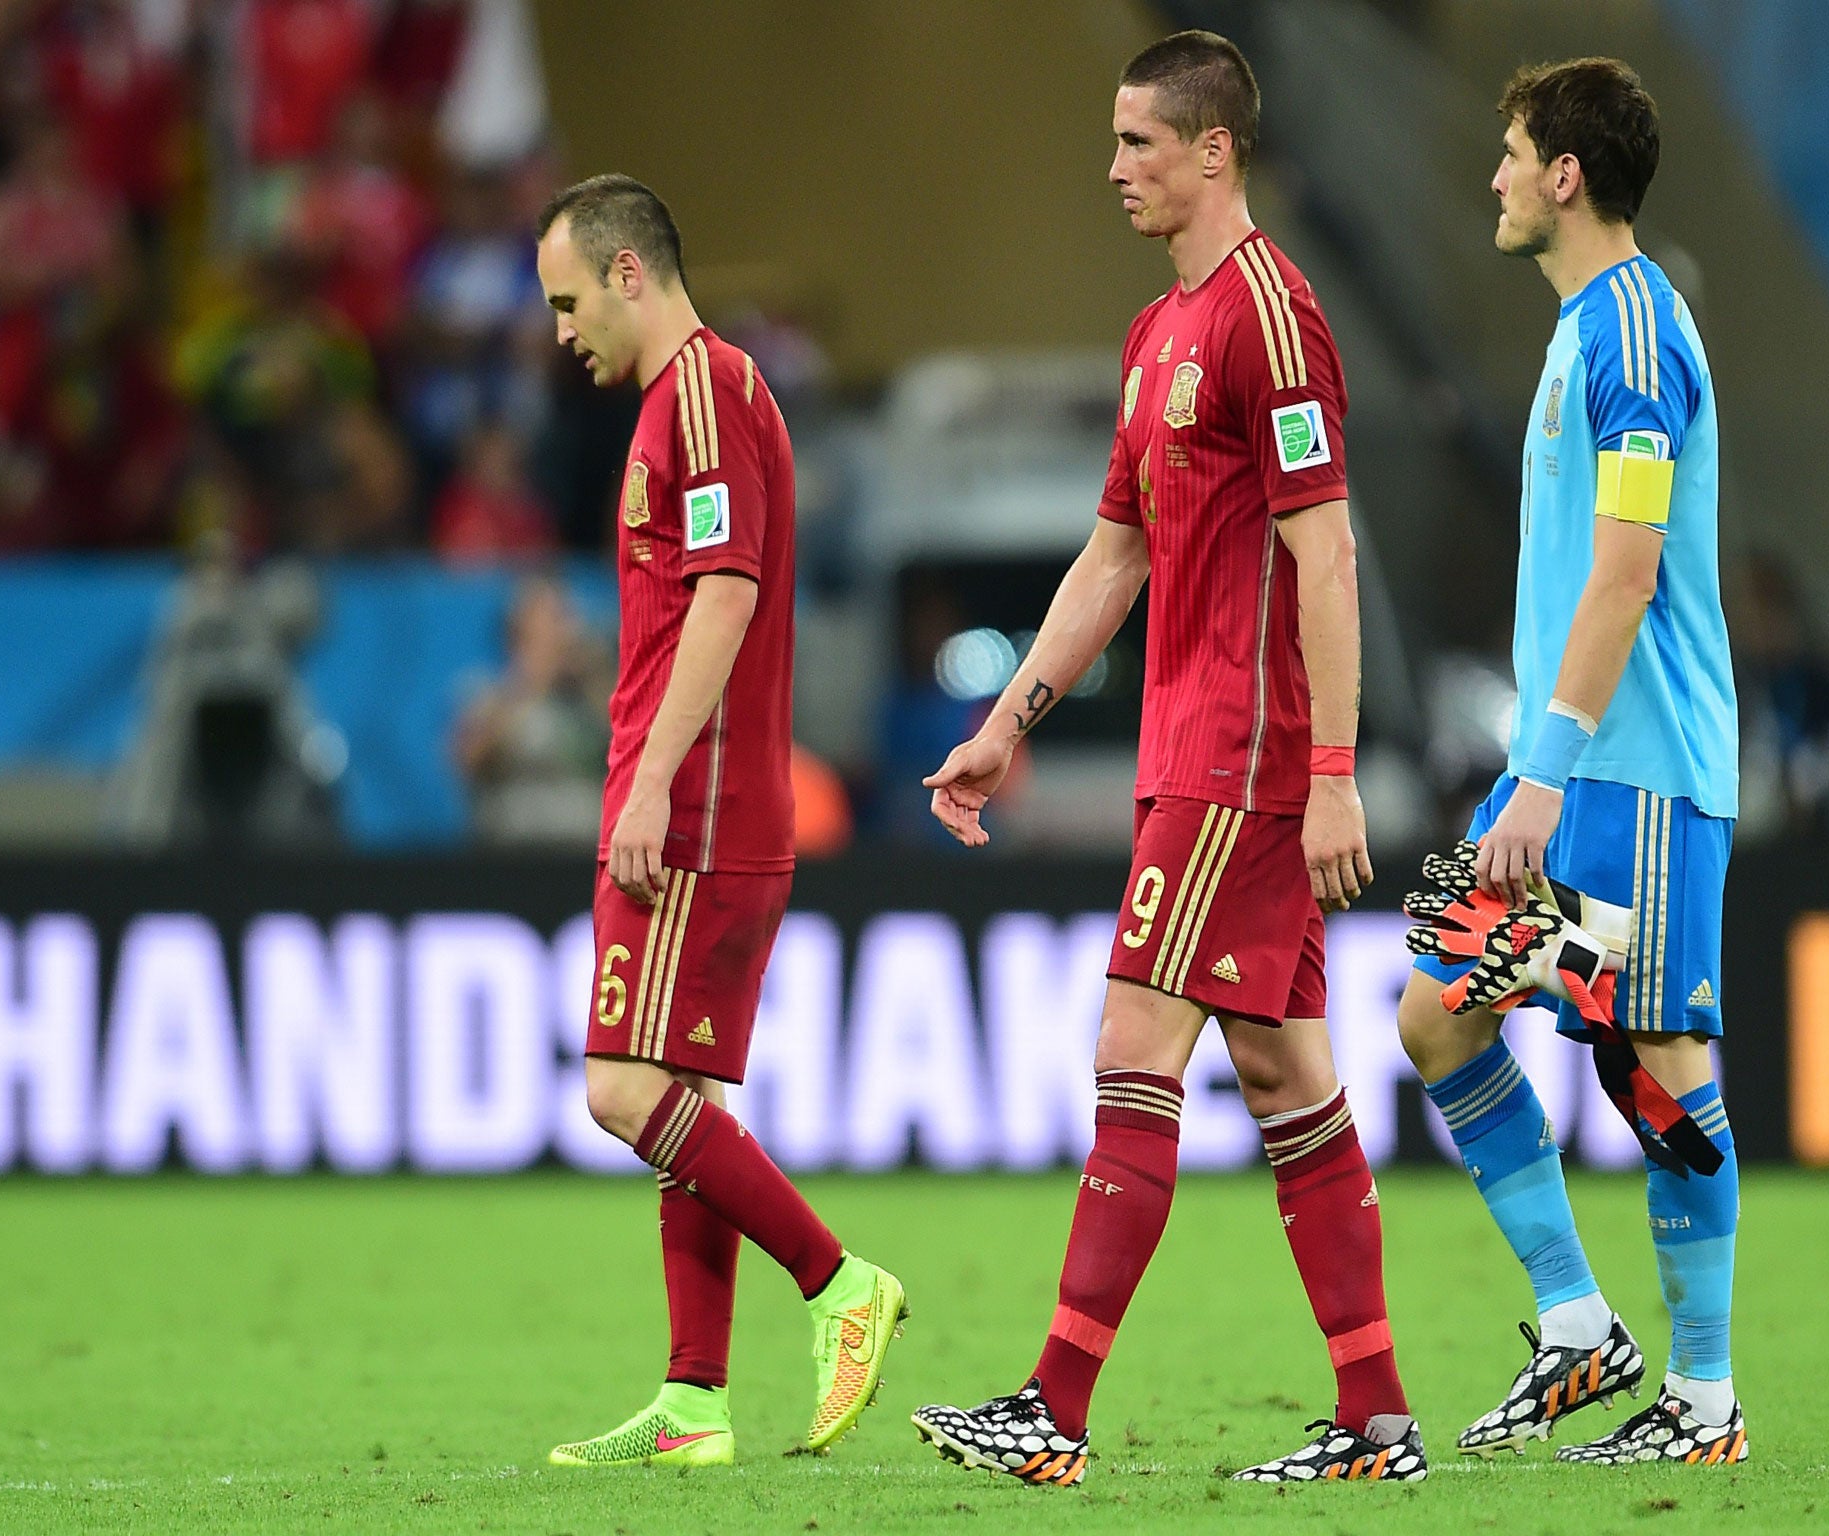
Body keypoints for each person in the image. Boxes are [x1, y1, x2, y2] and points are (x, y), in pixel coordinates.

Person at [912, 31, 1424, 1488]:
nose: (1115, 168)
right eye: (1115, 140)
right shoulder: (1156, 337)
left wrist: (1332, 767)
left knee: (1135, 1047)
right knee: (1279, 1071)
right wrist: (1007, 723)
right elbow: (1116, 553)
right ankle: (1379, 1420)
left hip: (1241, 751)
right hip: (1188, 745)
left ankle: (1053, 1411)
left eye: (1140, 142)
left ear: (1216, 150)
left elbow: (1326, 554)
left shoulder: (1276, 315)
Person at [1397, 59, 1745, 1466]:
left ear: (1565, 176)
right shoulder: (1584, 329)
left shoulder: (1639, 337)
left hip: (1635, 769)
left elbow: (1627, 574)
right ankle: (1577, 1328)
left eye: (1512, 149)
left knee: (1661, 1063)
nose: (1493, 173)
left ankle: (1706, 1401)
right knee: (1437, 1017)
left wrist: (1541, 771)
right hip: (1569, 764)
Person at [534, 175, 906, 1469]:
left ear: (629, 274)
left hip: (689, 809)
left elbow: (727, 596)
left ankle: (838, 1284)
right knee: (676, 1090)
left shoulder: (703, 395)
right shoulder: (683, 405)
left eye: (570, 300)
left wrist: (646, 781)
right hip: (684, 798)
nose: (562, 329)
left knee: (621, 1089)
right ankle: (695, 1403)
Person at [452, 572, 608, 843]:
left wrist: (594, 677)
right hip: (512, 852)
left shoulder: (592, 691)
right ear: (518, 630)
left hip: (585, 848)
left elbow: (630, 750)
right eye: (553, 618)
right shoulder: (487, 692)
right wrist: (530, 684)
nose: (564, 630)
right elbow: (467, 763)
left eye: (566, 617)